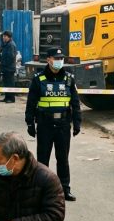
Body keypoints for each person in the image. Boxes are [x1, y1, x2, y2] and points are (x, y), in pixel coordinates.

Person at [26, 47, 81, 202]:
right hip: (45, 124)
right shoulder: (39, 79)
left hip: (63, 124)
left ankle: (65, 189)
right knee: (43, 159)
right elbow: (31, 103)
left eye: (60, 58)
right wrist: (30, 123)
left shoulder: (69, 79)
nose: (59, 61)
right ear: (48, 59)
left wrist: (77, 123)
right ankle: (41, 191)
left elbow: (75, 103)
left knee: (63, 159)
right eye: (56, 58)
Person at [0, 30, 18, 103]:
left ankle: (11, 98)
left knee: (10, 83)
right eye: (3, 36)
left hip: (9, 68)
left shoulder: (11, 45)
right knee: (6, 83)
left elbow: (11, 57)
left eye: (5, 36)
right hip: (5, 68)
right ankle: (7, 97)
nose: (4, 38)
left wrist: (4, 63)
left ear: (9, 37)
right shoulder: (6, 44)